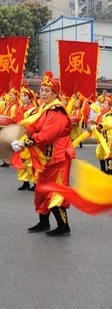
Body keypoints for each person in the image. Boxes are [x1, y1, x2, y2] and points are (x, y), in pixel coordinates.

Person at [10, 71, 75, 236]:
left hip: (59, 157)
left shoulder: (57, 111)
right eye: (42, 90)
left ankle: (63, 226)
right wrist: (21, 137)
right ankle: (43, 223)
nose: (43, 93)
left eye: (48, 90)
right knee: (41, 190)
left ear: (55, 93)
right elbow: (35, 127)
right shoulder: (44, 109)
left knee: (56, 191)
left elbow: (46, 135)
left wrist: (25, 143)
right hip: (46, 157)